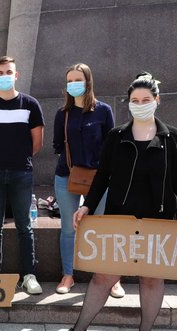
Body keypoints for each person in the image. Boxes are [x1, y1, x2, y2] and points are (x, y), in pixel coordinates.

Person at [50, 72, 177, 331]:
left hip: (158, 220)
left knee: (151, 279)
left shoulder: (172, 137)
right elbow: (103, 177)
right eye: (135, 100)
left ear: (157, 101)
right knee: (103, 276)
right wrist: (87, 205)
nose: (140, 104)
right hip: (120, 220)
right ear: (129, 103)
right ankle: (79, 330)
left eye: (146, 100)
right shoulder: (116, 136)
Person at [53, 63, 125, 298]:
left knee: (103, 228)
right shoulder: (62, 114)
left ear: (88, 82)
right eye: (70, 80)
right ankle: (68, 275)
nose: (73, 84)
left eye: (78, 79)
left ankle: (111, 278)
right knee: (68, 229)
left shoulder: (103, 111)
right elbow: (57, 145)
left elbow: (111, 144)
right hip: (67, 176)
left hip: (99, 179)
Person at [0, 55, 44, 295]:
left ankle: (28, 276)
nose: (4, 76)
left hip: (21, 173)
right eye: (0, 73)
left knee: (25, 226)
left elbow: (37, 142)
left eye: (8, 72)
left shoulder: (30, 104)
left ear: (16, 76)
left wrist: (16, 158)